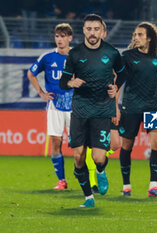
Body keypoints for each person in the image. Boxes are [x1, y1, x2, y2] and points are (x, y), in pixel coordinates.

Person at [59, 14, 124, 208]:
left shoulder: (112, 53)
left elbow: (122, 73)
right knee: (78, 156)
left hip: (102, 110)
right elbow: (63, 82)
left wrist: (115, 87)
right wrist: (71, 82)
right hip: (80, 110)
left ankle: (101, 171)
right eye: (89, 29)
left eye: (96, 29)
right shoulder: (75, 54)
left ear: (102, 31)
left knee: (99, 157)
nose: (92, 33)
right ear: (84, 31)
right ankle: (88, 197)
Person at [116, 22, 157, 197]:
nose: (136, 38)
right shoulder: (127, 56)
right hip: (131, 107)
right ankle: (126, 185)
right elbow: (118, 83)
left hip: (152, 107)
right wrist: (114, 106)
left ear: (149, 38)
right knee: (127, 145)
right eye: (135, 35)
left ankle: (153, 185)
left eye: (140, 35)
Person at [27, 23, 73, 190]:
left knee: (78, 144)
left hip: (74, 105)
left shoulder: (76, 56)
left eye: (63, 36)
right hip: (54, 104)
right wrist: (41, 92)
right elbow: (30, 73)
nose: (60, 40)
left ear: (70, 38)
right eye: (57, 36)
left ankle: (84, 177)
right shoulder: (47, 57)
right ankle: (62, 180)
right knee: (56, 140)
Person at [85, 20, 122, 194]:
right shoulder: (81, 56)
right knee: (92, 148)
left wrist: (116, 107)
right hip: (90, 108)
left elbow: (115, 85)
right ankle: (94, 178)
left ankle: (99, 166)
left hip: (108, 106)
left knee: (115, 144)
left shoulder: (111, 56)